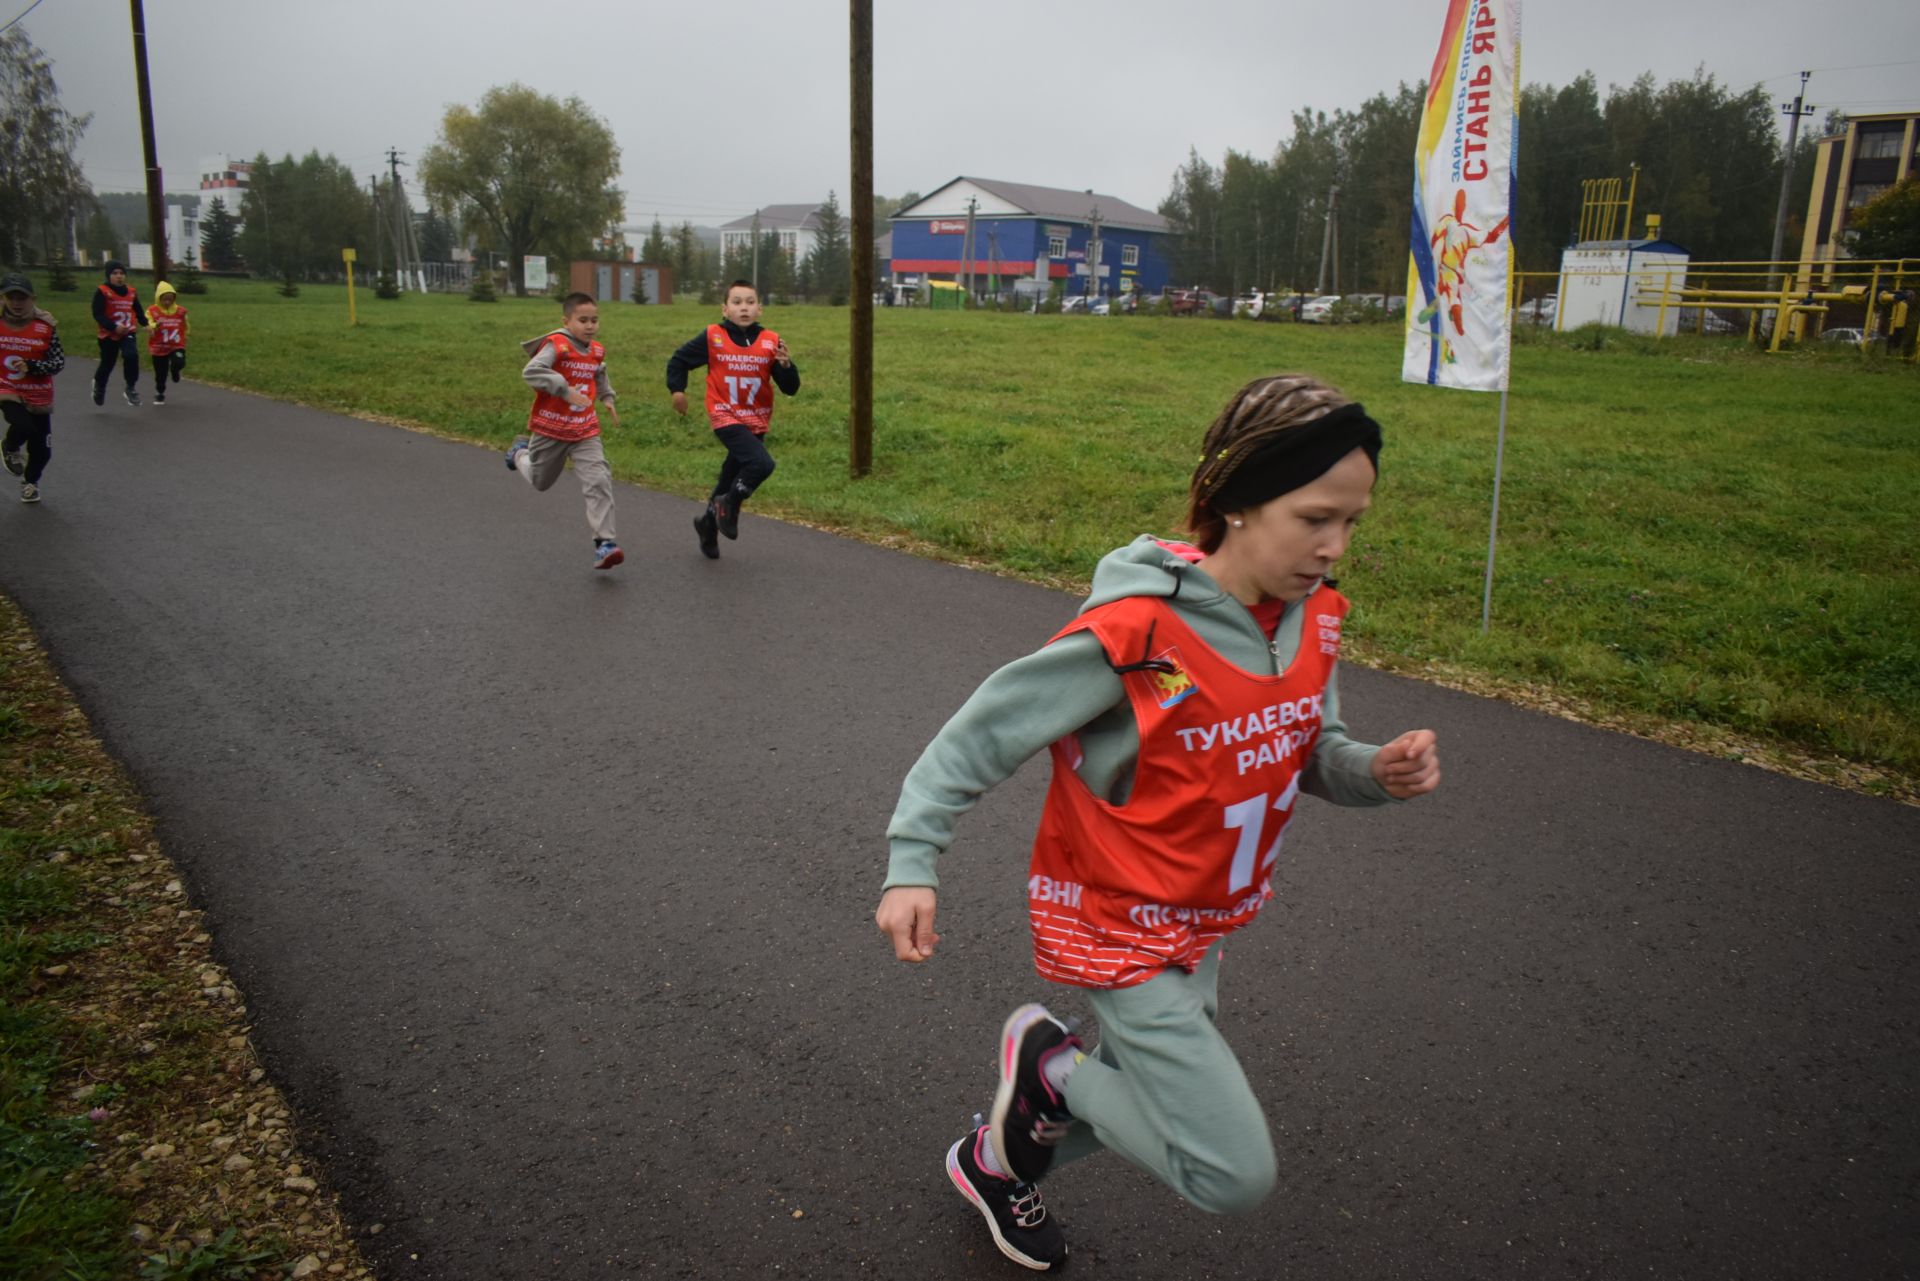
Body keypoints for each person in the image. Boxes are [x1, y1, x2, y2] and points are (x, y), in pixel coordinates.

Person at [874, 374, 1442, 1272]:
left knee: (1145, 1099)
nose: (1336, 546)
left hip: (1202, 923)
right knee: (1228, 1169)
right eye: (1315, 517)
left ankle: (995, 1160)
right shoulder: (1136, 634)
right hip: (1116, 921)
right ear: (1240, 501)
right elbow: (979, 736)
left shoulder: (1314, 621)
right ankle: (1051, 1072)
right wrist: (914, 859)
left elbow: (1309, 748)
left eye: (1353, 523)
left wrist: (1374, 770)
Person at [664, 279, 800, 559]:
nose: (744, 308)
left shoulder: (770, 341)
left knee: (730, 477)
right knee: (761, 464)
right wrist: (677, 390)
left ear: (760, 308)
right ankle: (730, 503)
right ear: (725, 309)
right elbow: (679, 360)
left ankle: (708, 524)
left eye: (750, 302)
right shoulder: (713, 336)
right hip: (725, 414)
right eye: (737, 302)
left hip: (756, 419)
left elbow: (790, 388)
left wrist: (786, 366)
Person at [506, 292, 624, 570]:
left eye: (594, 320)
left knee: (598, 479)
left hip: (584, 430)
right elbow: (531, 371)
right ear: (566, 321)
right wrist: (563, 388)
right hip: (551, 428)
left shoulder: (596, 349)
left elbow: (599, 371)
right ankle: (519, 453)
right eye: (582, 320)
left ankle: (604, 543)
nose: (590, 325)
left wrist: (607, 397)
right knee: (540, 481)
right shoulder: (557, 345)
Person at [0, 273, 67, 503]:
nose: (17, 303)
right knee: (23, 426)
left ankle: (30, 481)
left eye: (22, 298)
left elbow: (58, 363)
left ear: (33, 299)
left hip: (38, 394)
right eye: (11, 298)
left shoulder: (45, 327)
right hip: (7, 388)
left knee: (42, 451)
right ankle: (10, 446)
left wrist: (33, 366)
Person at [91, 260, 146, 407]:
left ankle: (130, 387)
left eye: (122, 273)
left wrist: (146, 324)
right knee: (108, 363)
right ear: (109, 276)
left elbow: (138, 310)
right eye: (115, 273)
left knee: (131, 355)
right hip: (109, 334)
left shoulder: (131, 292)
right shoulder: (102, 291)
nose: (119, 276)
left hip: (128, 331)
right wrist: (113, 326)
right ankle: (99, 386)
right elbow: (98, 314)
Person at [146, 280, 190, 405]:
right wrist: (154, 325)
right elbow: (147, 322)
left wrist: (186, 334)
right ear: (159, 298)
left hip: (176, 344)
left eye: (170, 299)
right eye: (164, 299)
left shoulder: (180, 311)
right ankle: (160, 392)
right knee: (161, 372)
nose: (167, 302)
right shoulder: (152, 311)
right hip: (159, 346)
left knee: (179, 361)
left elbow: (185, 324)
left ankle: (175, 370)